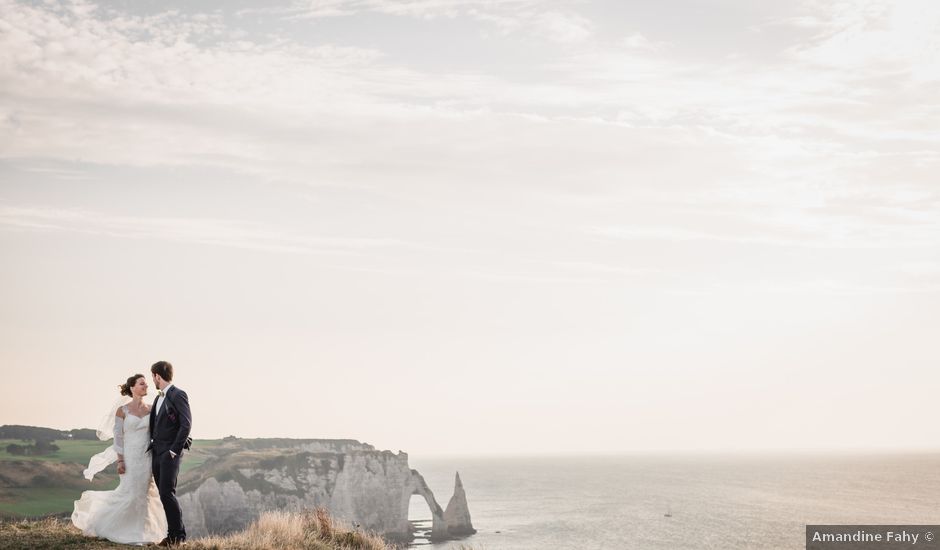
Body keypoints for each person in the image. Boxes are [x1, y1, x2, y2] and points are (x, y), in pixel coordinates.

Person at [72, 374, 167, 545]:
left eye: (146, 383)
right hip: (129, 457)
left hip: (146, 457)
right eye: (142, 384)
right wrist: (120, 460)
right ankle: (111, 526)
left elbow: (159, 432)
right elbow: (118, 438)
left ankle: (143, 532)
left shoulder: (152, 409)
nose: (146, 386)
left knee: (145, 494)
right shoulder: (122, 411)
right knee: (129, 492)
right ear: (132, 388)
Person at [149, 360, 192, 547]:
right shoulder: (159, 398)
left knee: (168, 493)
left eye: (152, 376)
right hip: (157, 452)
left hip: (170, 453)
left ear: (157, 376)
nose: (152, 379)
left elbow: (186, 424)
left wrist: (174, 451)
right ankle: (172, 534)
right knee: (163, 494)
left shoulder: (178, 394)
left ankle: (177, 537)